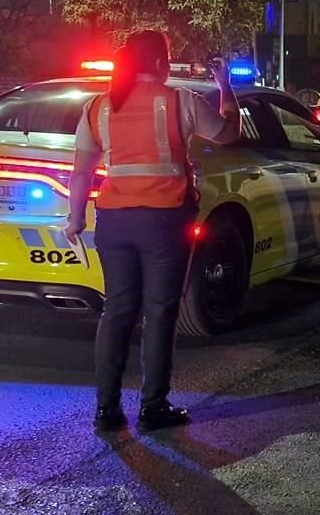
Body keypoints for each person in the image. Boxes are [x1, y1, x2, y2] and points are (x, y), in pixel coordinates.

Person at [65, 30, 241, 432]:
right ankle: (153, 407)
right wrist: (225, 88)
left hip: (114, 220)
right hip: (164, 220)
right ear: (161, 62)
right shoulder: (180, 100)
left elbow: (81, 172)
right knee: (160, 313)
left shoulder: (99, 107)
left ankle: (106, 411)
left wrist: (75, 219)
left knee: (117, 311)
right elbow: (229, 133)